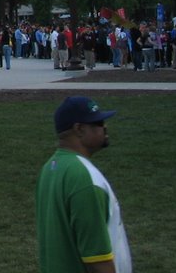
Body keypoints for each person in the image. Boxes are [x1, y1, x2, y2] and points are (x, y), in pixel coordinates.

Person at [36, 96, 131, 273]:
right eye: (98, 122)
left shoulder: (50, 168)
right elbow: (97, 259)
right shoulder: (84, 177)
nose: (105, 128)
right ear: (79, 129)